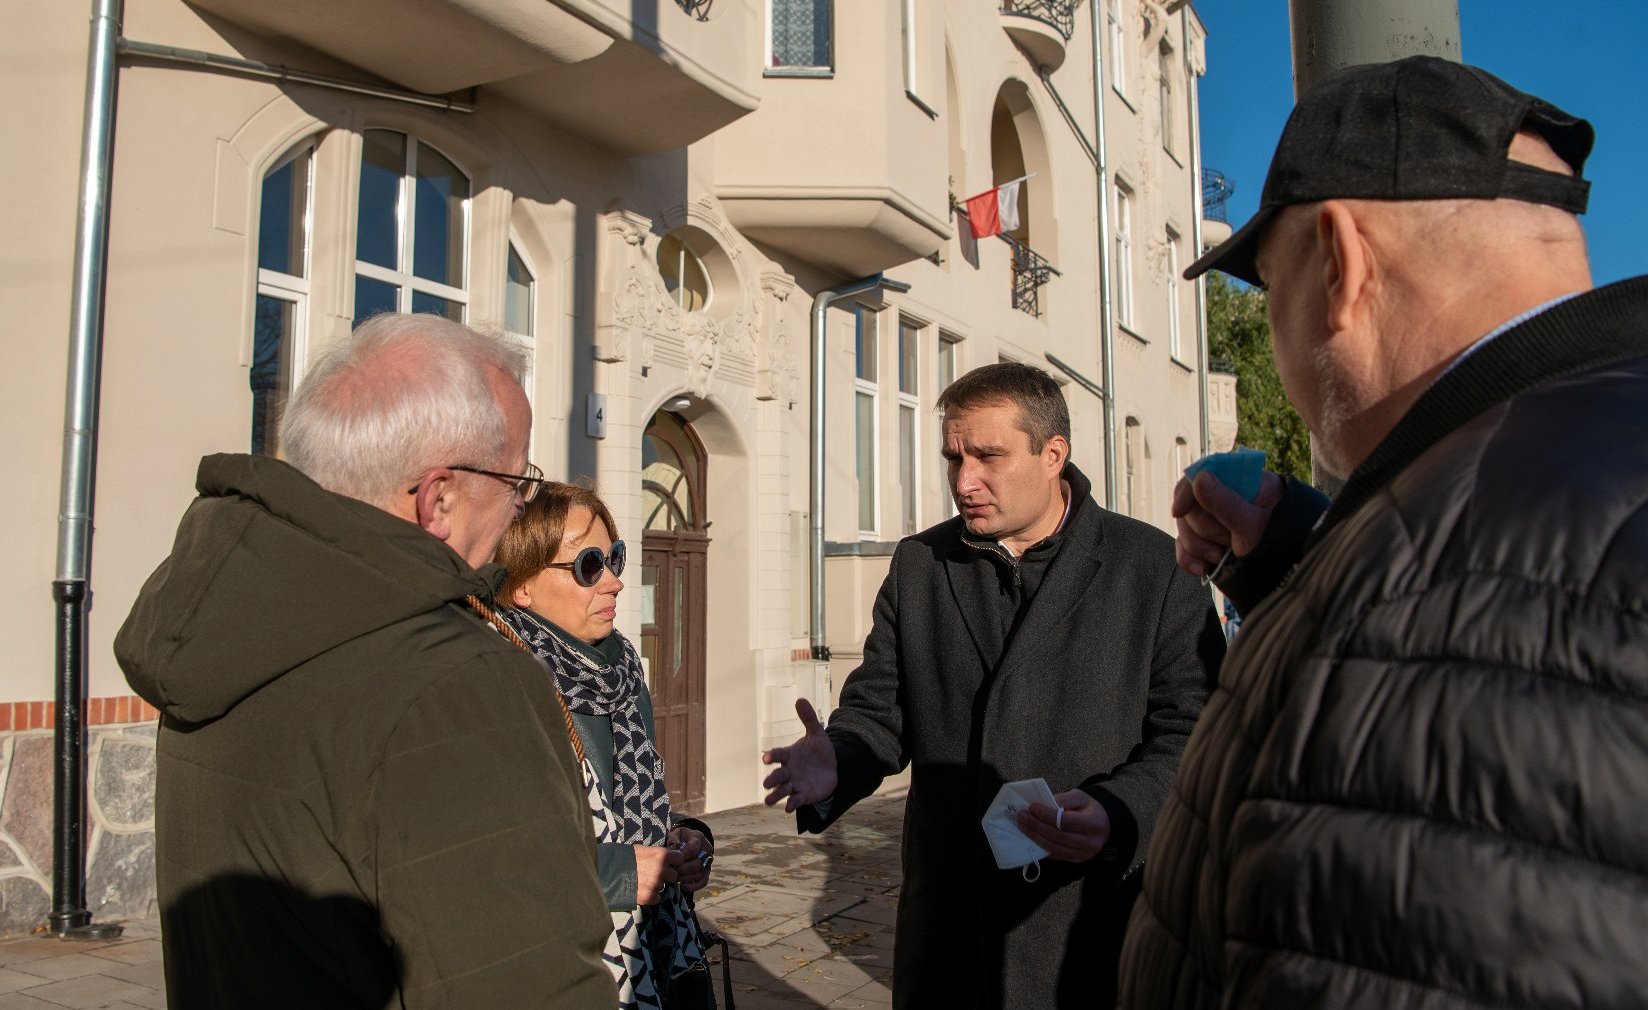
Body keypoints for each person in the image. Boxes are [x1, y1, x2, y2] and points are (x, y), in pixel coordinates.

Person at [1119, 56, 1648, 1008]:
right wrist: (1297, 561)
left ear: (1344, 262)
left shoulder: (1461, 597)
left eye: (1270, 291)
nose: (1275, 332)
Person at [117, 314, 616, 1008]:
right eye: (517, 480)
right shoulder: (457, 681)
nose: (520, 508)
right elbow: (531, 986)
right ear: (438, 497)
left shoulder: (220, 627)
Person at [762, 362, 1224, 1009]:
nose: (964, 480)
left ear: (1052, 455)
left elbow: (1197, 737)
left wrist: (1120, 812)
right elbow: (881, 713)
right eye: (954, 457)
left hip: (1092, 929)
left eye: (988, 456)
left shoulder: (1153, 567)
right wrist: (839, 758)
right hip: (954, 936)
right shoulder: (921, 563)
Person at [491, 482, 718, 1009]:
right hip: (563, 974)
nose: (615, 581)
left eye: (614, 557)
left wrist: (680, 841)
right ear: (522, 585)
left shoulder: (619, 672)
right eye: (588, 565)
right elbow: (489, 862)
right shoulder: (504, 685)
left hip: (659, 959)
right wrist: (620, 875)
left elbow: (629, 814)